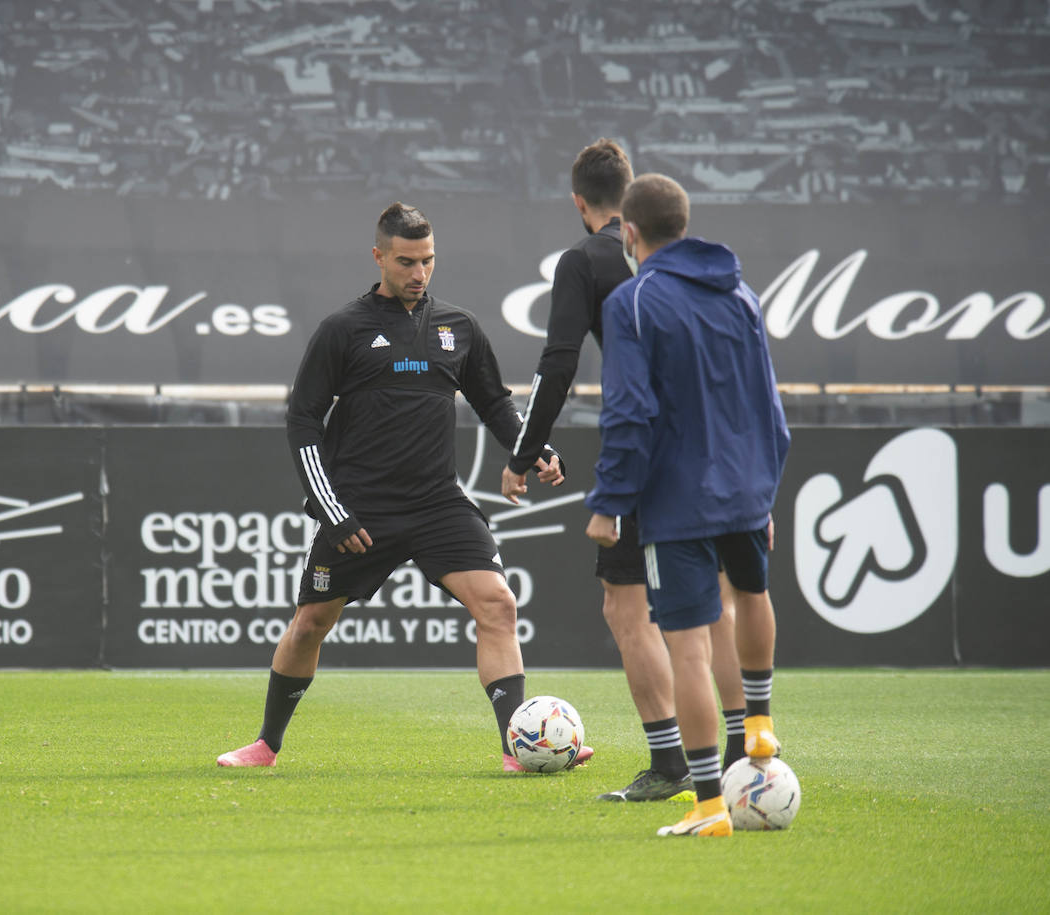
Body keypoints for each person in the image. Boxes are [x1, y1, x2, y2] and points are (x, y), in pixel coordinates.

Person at [217, 202, 582, 772]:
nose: (419, 273)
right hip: (360, 511)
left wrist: (533, 447)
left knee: (498, 604)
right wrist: (331, 509)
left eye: (428, 261)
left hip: (438, 503)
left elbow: (493, 402)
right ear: (379, 257)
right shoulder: (343, 329)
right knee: (311, 622)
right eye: (407, 261)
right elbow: (303, 419)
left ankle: (516, 747)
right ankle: (266, 744)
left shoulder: (458, 327)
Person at [501, 140, 747, 802]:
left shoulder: (586, 261)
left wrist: (523, 453)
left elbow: (559, 363)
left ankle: (673, 761)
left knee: (628, 605)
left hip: (650, 459)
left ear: (581, 202)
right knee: (720, 606)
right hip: (723, 457)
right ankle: (742, 747)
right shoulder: (706, 267)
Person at [584, 173, 789, 837]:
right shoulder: (743, 291)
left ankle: (707, 803)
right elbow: (769, 405)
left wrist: (610, 503)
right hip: (744, 491)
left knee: (691, 648)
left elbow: (629, 412)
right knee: (751, 599)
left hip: (676, 500)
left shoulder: (633, 302)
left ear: (628, 231)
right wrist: (765, 490)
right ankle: (758, 723)